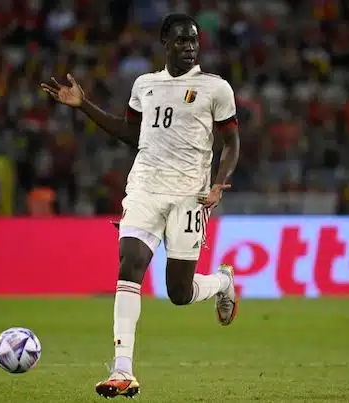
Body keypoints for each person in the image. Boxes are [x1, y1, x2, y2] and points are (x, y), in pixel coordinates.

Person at [41, 14, 240, 398]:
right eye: (181, 41)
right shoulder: (144, 85)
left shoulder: (216, 88)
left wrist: (219, 183)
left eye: (194, 41)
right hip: (144, 189)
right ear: (165, 43)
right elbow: (130, 133)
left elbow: (232, 142)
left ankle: (223, 282)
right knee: (130, 263)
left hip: (190, 195)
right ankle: (122, 369)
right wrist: (84, 105)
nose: (189, 47)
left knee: (179, 293)